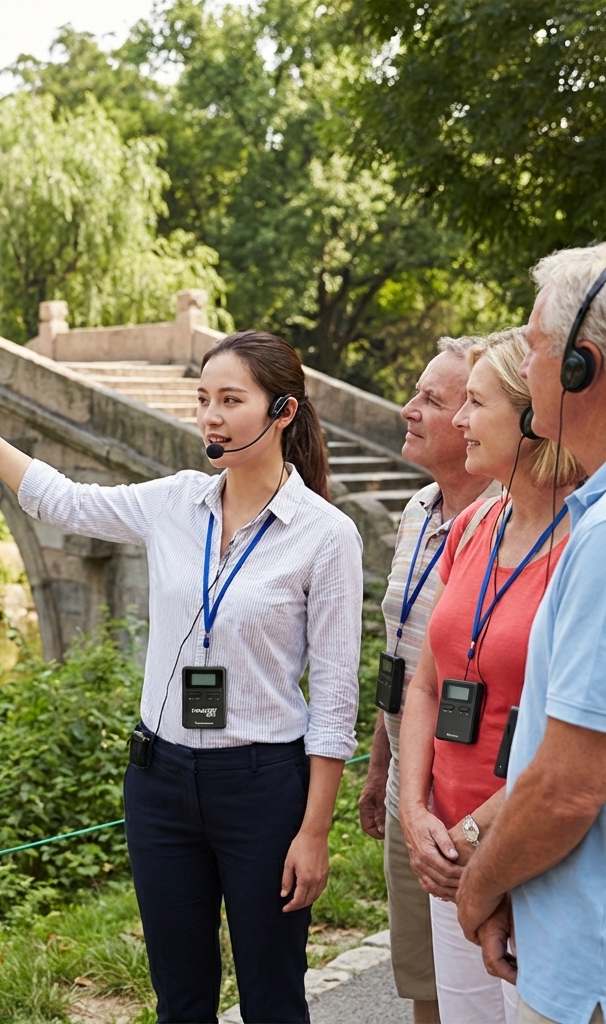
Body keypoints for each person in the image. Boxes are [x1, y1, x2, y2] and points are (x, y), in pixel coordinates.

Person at [0, 330, 363, 1023]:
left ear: (284, 412)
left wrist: (314, 830)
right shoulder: (177, 502)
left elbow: (334, 698)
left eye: (231, 400)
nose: (210, 416)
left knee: (273, 999)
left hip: (263, 788)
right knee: (179, 1000)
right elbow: (60, 500)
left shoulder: (325, 535)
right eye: (203, 399)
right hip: (161, 783)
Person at [399, 328, 583, 1024]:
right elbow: (426, 684)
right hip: (446, 850)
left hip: (528, 854)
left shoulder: (582, 544)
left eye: (475, 402)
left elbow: (574, 746)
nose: (460, 420)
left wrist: (475, 837)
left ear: (531, 416)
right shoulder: (475, 521)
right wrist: (418, 818)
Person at [457, 243, 606, 1024]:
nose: (528, 355)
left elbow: (569, 785)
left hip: (587, 974)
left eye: (537, 343)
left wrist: (482, 884)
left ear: (580, 366)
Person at [358, 337, 495, 1024]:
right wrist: (382, 764)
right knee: (425, 979)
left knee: (489, 978)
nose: (408, 410)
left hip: (475, 789)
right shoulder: (417, 510)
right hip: (410, 783)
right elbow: (403, 653)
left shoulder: (514, 522)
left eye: (434, 401)